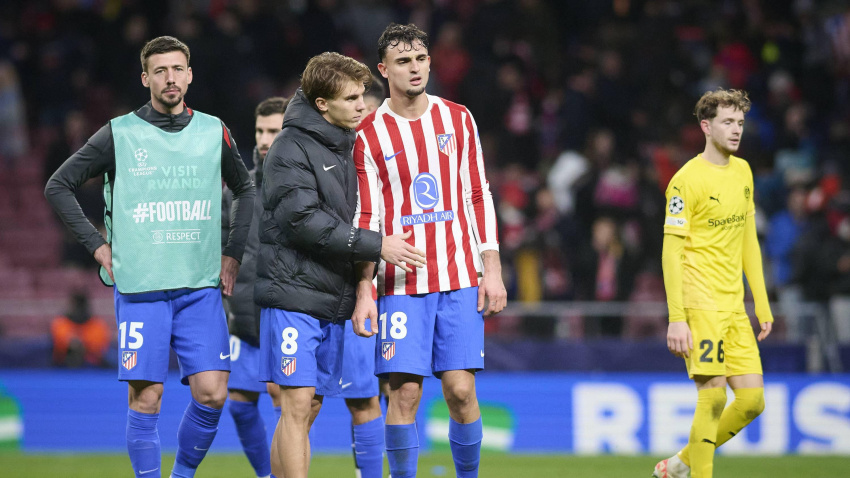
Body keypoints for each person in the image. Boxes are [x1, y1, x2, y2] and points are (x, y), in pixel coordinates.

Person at [44, 36, 255, 478]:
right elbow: (58, 185)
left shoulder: (213, 130)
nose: (170, 78)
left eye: (177, 69)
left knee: (213, 393)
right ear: (146, 79)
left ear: (190, 75)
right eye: (160, 71)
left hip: (200, 286)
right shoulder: (119, 133)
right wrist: (97, 245)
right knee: (147, 397)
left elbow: (245, 189)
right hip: (142, 288)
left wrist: (233, 253)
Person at [255, 52, 424, 478]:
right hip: (293, 293)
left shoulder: (350, 142)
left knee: (308, 406)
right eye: (351, 98)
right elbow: (302, 222)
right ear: (322, 104)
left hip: (333, 296)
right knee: (297, 404)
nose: (362, 105)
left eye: (362, 95)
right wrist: (377, 245)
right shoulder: (289, 148)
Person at [352, 23, 507, 478]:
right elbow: (367, 217)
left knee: (461, 391)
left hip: (458, 277)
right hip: (400, 285)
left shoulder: (457, 118)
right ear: (383, 70)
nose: (415, 68)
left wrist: (491, 269)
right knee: (404, 394)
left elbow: (477, 193)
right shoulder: (369, 133)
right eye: (403, 61)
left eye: (420, 58)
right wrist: (364, 287)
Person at [653, 88, 772, 478]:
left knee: (752, 401)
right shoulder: (685, 181)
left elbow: (748, 240)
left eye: (740, 122)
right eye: (727, 122)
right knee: (714, 396)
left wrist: (761, 302)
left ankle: (680, 464)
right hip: (700, 302)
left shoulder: (743, 172)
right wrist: (677, 318)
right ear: (706, 126)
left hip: (734, 305)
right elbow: (671, 253)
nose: (736, 130)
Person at [222, 96, 288, 478]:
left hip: (285, 314)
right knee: (239, 403)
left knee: (287, 404)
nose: (264, 139)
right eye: (260, 130)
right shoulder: (238, 189)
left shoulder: (302, 186)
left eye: (273, 131)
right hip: (245, 318)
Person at [50, 291, 111, 367]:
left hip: (92, 366)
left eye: (80, 306)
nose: (78, 310)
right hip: (63, 365)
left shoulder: (97, 325)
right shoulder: (61, 323)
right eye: (76, 306)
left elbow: (99, 350)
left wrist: (82, 345)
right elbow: (59, 347)